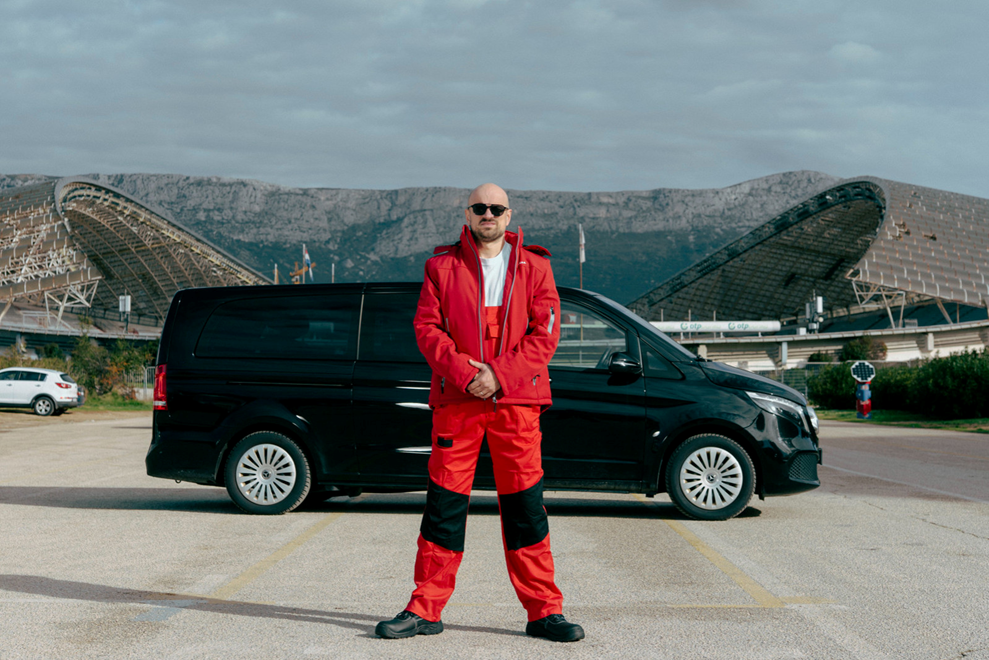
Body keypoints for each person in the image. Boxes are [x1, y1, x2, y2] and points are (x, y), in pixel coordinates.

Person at [375, 183, 584, 643]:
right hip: (459, 401)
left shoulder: (536, 267)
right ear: (467, 215)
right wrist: (468, 375)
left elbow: (545, 334)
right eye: (479, 208)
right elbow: (427, 329)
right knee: (444, 506)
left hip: (517, 403)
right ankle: (425, 609)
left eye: (495, 208)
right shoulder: (440, 267)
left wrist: (499, 376)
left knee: (525, 507)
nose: (487, 214)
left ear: (509, 215)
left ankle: (545, 612)